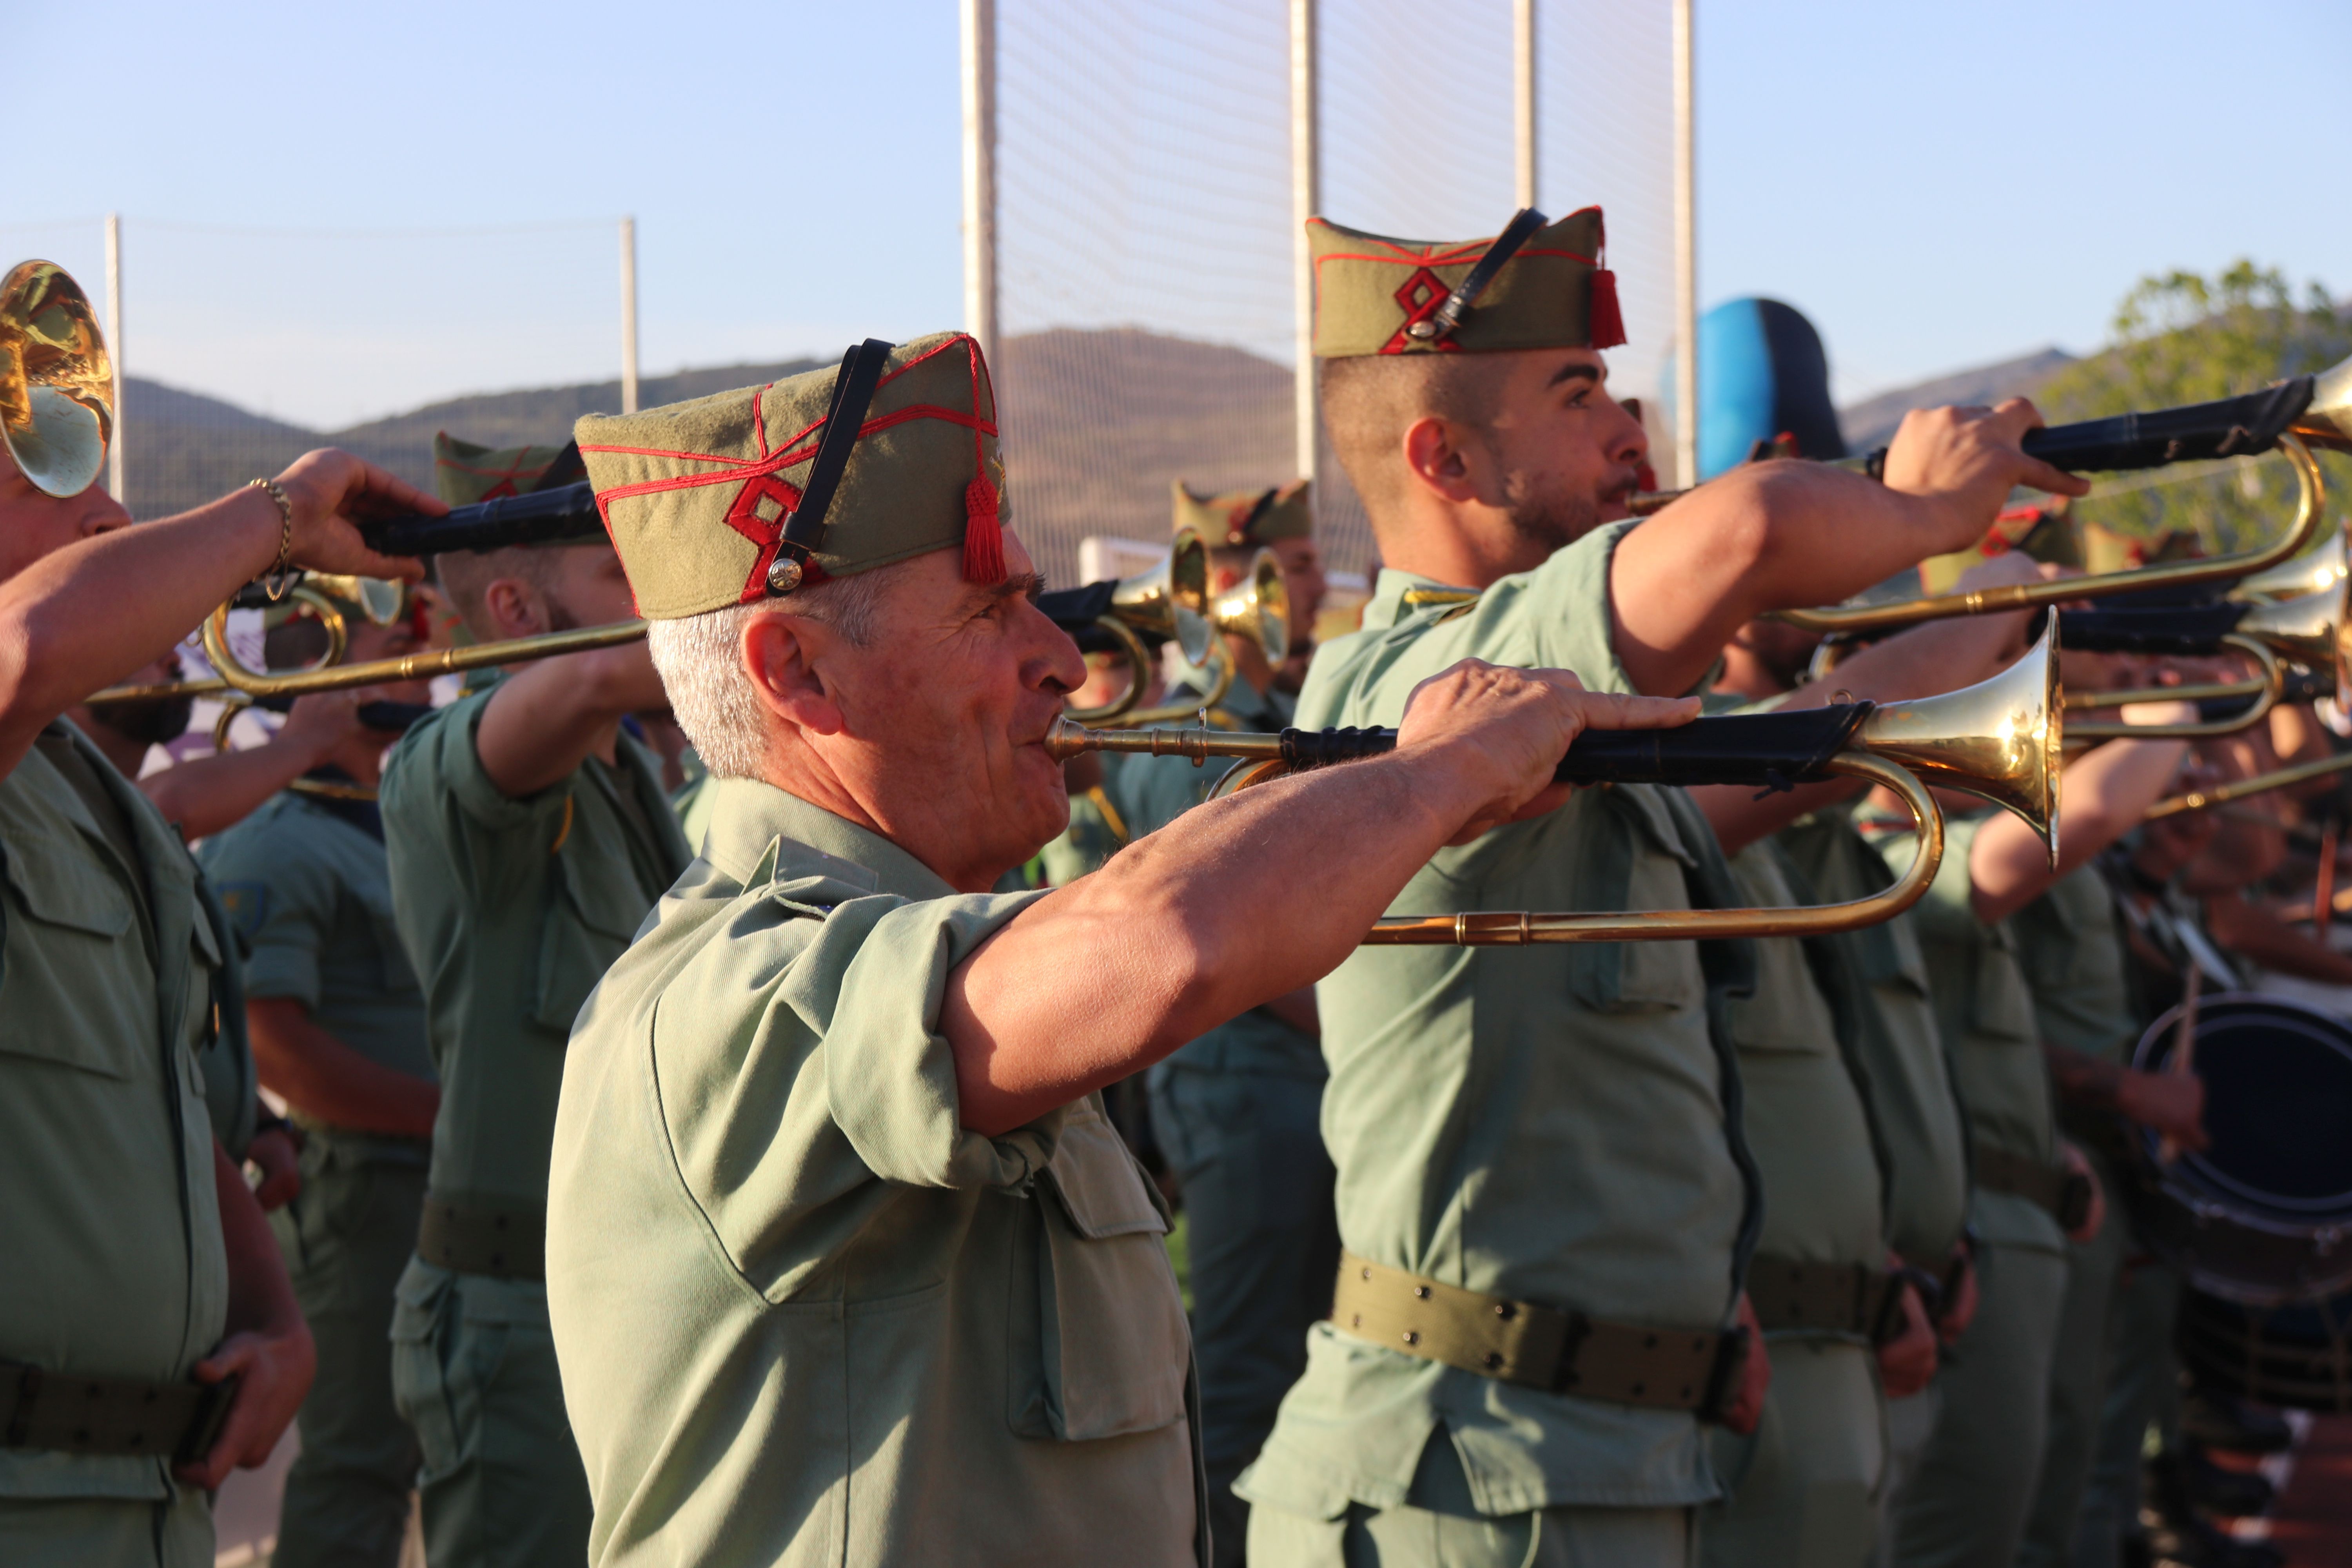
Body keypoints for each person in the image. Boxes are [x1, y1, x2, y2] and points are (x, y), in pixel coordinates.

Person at [543, 330, 1700, 1567]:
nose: (1058, 658)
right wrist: (1441, 770)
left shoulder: (936, 945)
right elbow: (1167, 937)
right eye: (990, 611)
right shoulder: (731, 986)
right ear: (801, 671)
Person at [1237, 206, 2087, 1567]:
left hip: (1586, 1458)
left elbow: (1819, 733)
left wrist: (1977, 610)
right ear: (1442, 456)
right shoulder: (1429, 689)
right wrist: (1926, 507)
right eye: (1577, 395)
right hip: (1479, 1474)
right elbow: (1746, 528)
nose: (1628, 423)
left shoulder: (1550, 720)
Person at [0, 433, 430, 1564]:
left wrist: (273, 1316)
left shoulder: (97, 802)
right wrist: (279, 515)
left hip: (150, 1493)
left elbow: (153, 1089)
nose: (110, 513)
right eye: (33, 486)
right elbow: (23, 645)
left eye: (101, 486)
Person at [381, 433, 689, 1568]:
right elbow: (600, 673)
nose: (660, 601)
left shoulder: (635, 785)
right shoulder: (441, 768)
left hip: (634, 1308)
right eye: (625, 577)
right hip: (517, 1320)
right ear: (513, 607)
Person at [1871, 693, 2193, 1568]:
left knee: (2050, 1491)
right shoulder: (1885, 851)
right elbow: (2087, 810)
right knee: (1974, 1524)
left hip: (2035, 1203)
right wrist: (2182, 697)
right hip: (1972, 1227)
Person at [1111, 477, 1334, 1563]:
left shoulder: (1282, 725)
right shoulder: (1192, 735)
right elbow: (1217, 934)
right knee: (1244, 1391)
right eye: (1292, 573)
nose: (1317, 588)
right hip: (1242, 1100)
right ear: (1233, 585)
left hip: (1301, 1098)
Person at [197, 580, 440, 1568]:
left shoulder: (394, 823)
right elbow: (273, 1040)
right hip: (358, 1193)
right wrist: (459, 1117)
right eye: (398, 649)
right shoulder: (275, 836)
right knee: (359, 1462)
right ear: (329, 674)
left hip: (430, 1190)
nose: (425, 674)